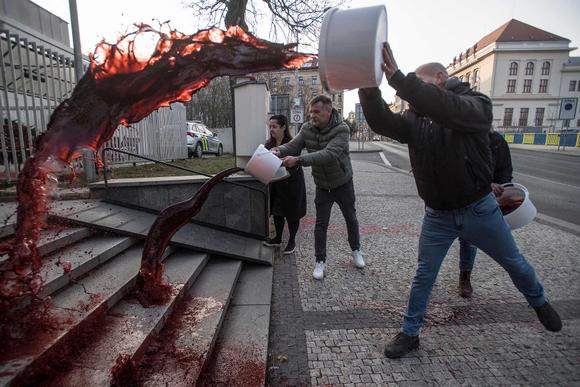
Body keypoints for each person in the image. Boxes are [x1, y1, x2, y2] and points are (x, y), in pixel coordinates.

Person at [358, 42, 562, 359]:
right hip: (437, 214)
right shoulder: (414, 119)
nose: (412, 94)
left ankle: (538, 301)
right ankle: (410, 333)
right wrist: (369, 88)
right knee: (423, 275)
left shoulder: (474, 103)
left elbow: (448, 110)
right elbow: (382, 122)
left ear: (440, 79)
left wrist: (399, 78)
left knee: (515, 263)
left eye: (419, 84)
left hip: (479, 208)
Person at [271, 95, 364, 279]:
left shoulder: (342, 129)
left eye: (316, 112)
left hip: (343, 183)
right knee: (321, 225)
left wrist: (298, 160)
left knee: (350, 218)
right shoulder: (307, 128)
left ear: (328, 111)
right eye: (311, 112)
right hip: (322, 185)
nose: (312, 115)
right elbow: (293, 145)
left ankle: (356, 250)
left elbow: (329, 154)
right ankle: (319, 261)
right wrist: (279, 150)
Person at [458, 130, 514, 298]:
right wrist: (485, 184)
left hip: (479, 202)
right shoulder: (458, 136)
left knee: (469, 241)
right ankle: (427, 280)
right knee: (434, 245)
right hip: (451, 198)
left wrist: (498, 185)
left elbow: (505, 170)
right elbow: (454, 170)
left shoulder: (496, 140)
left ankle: (465, 277)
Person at [262, 114, 307, 254]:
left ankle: (292, 241)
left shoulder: (292, 142)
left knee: (292, 212)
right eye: (270, 126)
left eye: (274, 126)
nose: (272, 129)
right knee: (277, 211)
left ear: (283, 127)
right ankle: (278, 238)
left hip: (292, 182)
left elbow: (295, 162)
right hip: (276, 183)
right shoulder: (268, 144)